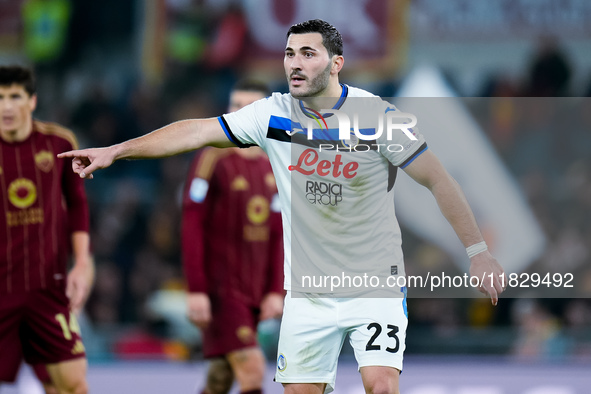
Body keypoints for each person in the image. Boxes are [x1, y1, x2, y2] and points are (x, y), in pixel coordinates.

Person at [58, 19, 506, 394]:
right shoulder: (273, 114)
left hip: (375, 285)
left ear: (336, 64)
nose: (294, 62)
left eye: (308, 53)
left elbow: (437, 179)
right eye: (290, 53)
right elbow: (193, 132)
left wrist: (477, 251)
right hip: (308, 294)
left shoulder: (378, 118)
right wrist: (117, 151)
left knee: (381, 384)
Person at [182, 79, 284, 394]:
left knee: (221, 376)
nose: (238, 113)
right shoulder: (211, 157)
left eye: (247, 107)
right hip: (221, 290)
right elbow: (191, 223)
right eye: (234, 105)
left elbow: (279, 233)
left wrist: (275, 290)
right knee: (252, 371)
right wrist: (197, 289)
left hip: (253, 290)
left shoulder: (276, 164)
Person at [0, 65, 93, 394]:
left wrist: (82, 262)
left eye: (14, 97)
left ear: (32, 101)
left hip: (46, 290)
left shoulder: (59, 143)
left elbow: (78, 204)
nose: (6, 106)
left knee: (71, 385)